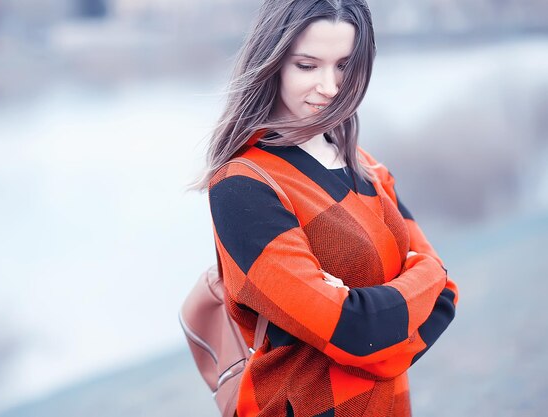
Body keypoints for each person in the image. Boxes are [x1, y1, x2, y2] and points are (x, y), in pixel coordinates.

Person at [189, 1, 459, 416]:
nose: (331, 87)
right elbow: (357, 330)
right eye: (308, 66)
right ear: (272, 63)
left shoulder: (365, 166)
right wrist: (424, 275)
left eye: (344, 66)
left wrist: (377, 317)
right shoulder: (243, 185)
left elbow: (444, 299)